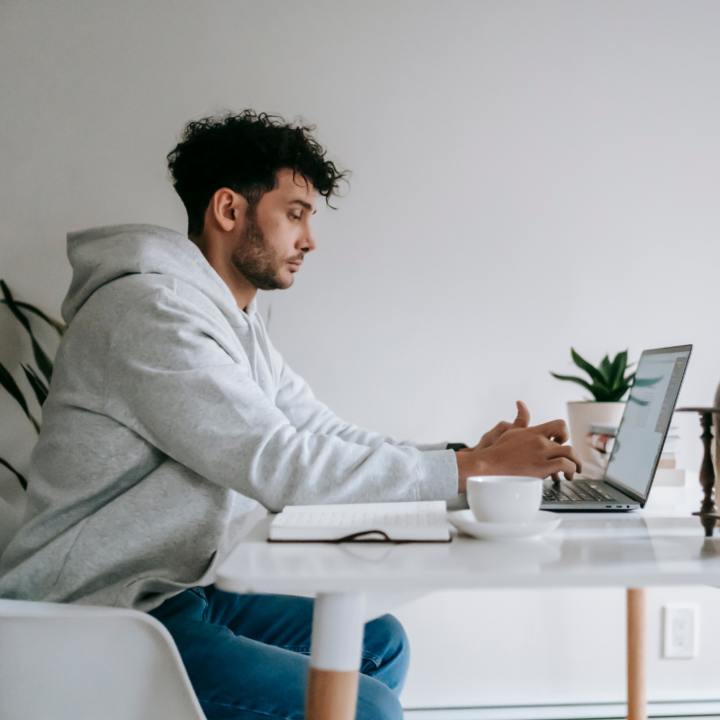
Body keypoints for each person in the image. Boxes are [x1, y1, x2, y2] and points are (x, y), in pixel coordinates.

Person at [0, 111, 580, 719]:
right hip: (97, 615)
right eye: (295, 213)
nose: (309, 240)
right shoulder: (153, 314)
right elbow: (281, 464)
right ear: (229, 211)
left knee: (378, 646)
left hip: (174, 592)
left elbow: (319, 432)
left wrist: (464, 461)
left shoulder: (231, 322)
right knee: (369, 709)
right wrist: (469, 469)